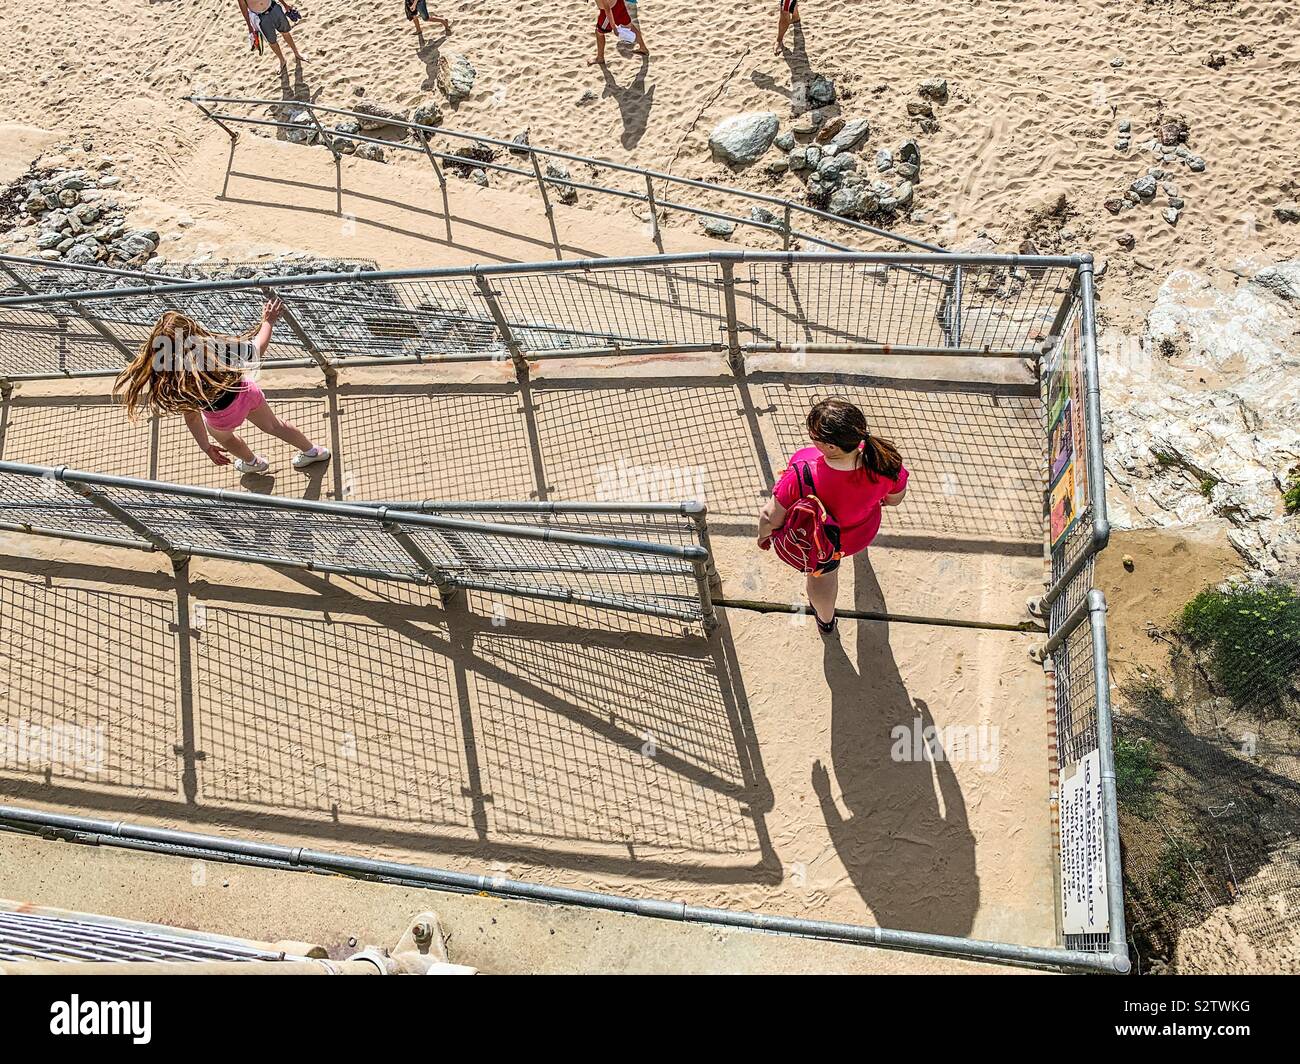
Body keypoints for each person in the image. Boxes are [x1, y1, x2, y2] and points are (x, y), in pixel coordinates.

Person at [114, 301, 331, 476]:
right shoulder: (215, 348)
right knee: (275, 425)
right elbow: (257, 349)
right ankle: (313, 451)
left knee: (227, 439)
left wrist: (206, 446)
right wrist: (268, 321)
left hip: (220, 416)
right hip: (246, 393)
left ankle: (253, 463)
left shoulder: (172, 376)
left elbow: (192, 418)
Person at [757, 398, 908, 634]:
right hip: (861, 534)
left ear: (831, 447)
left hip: (822, 546)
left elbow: (769, 517)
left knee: (822, 584)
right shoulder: (885, 462)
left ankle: (826, 621)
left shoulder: (802, 468)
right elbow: (894, 499)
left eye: (813, 437)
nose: (811, 441)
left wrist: (763, 537)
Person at [238, 0, 305, 66]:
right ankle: (282, 60)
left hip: (274, 9)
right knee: (272, 42)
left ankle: (297, 53)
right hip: (260, 17)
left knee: (285, 32)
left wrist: (285, 5)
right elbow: (244, 9)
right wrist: (250, 26)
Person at [590, 0, 649, 66]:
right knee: (629, 26)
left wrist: (614, 28)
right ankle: (643, 48)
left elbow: (608, 10)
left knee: (599, 33)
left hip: (610, 11)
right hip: (618, 3)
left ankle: (600, 58)